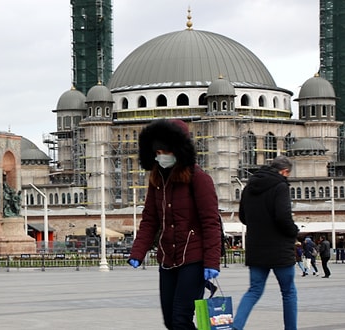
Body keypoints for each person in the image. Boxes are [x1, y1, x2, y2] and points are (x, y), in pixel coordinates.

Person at [128, 119, 221, 329]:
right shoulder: (157, 180)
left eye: (165, 151)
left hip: (193, 259)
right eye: (158, 151)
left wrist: (212, 262)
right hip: (167, 259)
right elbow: (150, 219)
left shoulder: (199, 179)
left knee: (181, 320)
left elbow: (211, 223)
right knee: (171, 321)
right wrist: (137, 252)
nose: (161, 156)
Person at [233, 155, 299, 330]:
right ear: (284, 171)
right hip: (279, 249)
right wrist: (294, 232)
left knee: (254, 290)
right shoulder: (281, 186)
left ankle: (236, 326)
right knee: (288, 292)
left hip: (256, 247)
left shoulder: (249, 187)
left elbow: (243, 217)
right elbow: (283, 217)